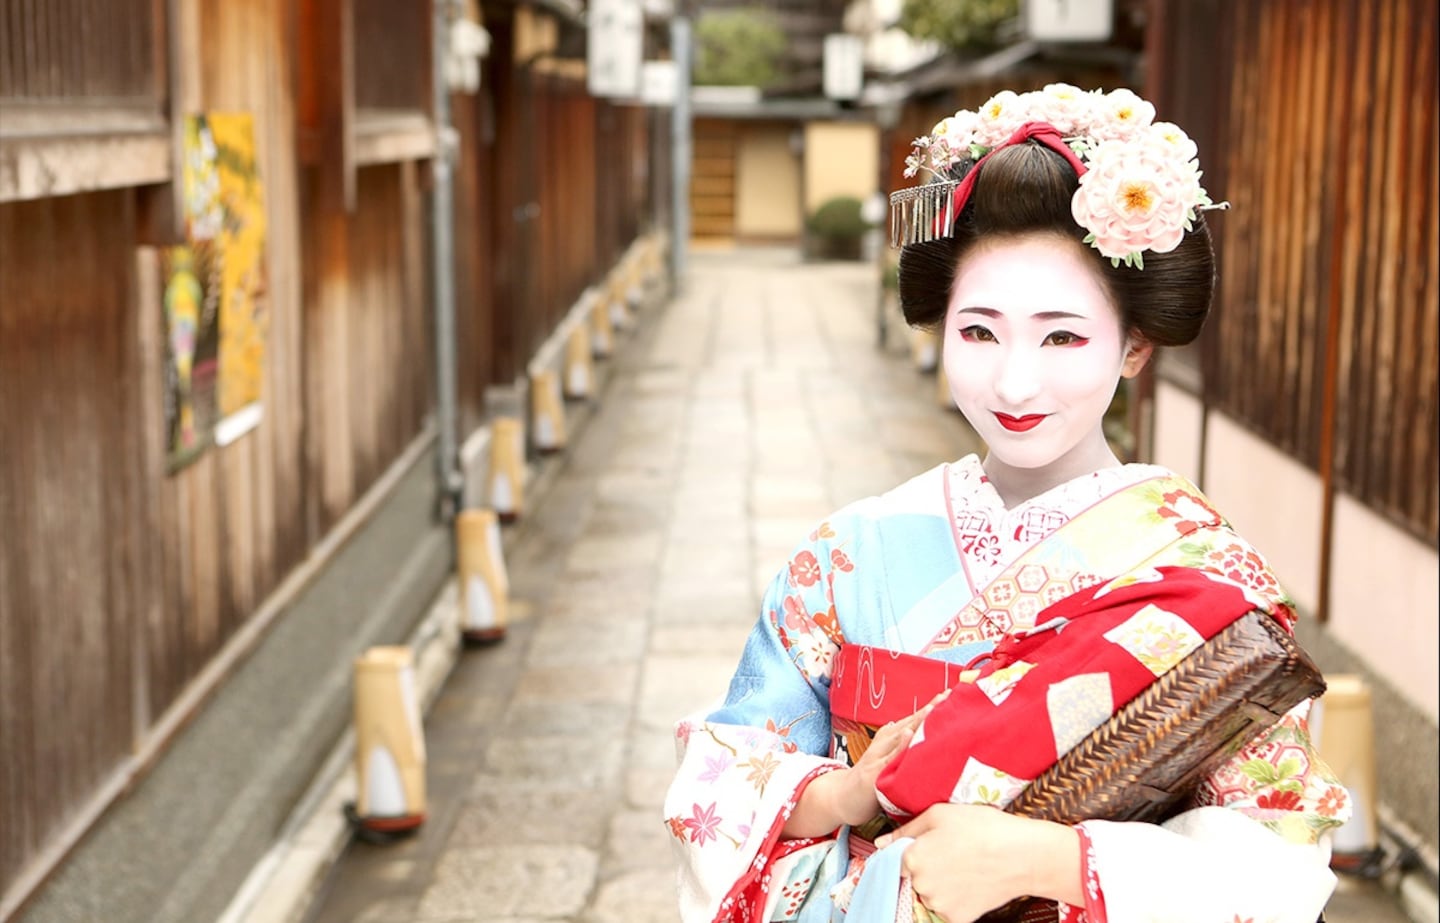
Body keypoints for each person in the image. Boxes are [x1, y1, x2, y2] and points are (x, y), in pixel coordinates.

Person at [663, 85, 1350, 923]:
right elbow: (722, 778)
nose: (1015, 381)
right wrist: (849, 792)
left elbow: (1278, 853)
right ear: (940, 327)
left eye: (1062, 335)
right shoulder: (849, 552)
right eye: (979, 331)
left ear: (1133, 344)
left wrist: (1052, 858)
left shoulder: (1202, 574)